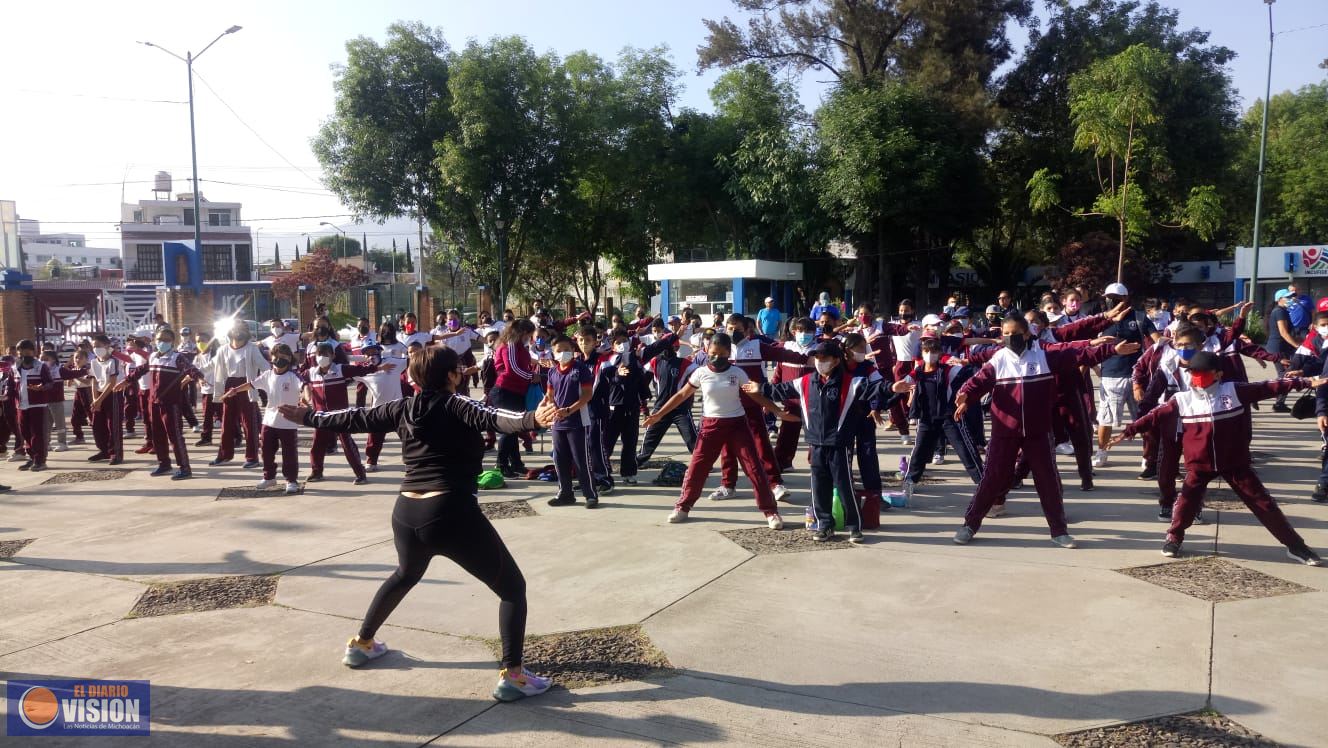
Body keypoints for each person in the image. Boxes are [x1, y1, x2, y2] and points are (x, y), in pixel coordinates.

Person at [279, 346, 558, 701]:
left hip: (406, 513)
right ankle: (513, 676)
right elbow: (495, 417)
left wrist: (309, 417)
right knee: (513, 589)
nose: (462, 374)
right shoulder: (457, 403)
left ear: (413, 377)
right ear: (451, 375)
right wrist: (533, 419)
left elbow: (355, 417)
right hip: (450, 511)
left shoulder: (402, 408)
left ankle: (362, 644)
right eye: (459, 370)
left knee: (405, 574)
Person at [1113, 351, 1323, 565]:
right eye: (1193, 372)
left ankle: (1297, 546)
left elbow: (1269, 386)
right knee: (1186, 503)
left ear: (1218, 374)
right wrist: (1128, 431)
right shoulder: (1182, 400)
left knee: (1264, 504)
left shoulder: (1233, 391)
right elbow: (1154, 416)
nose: (1197, 377)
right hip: (1199, 465)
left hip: (1235, 464)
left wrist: (1305, 382)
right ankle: (1174, 538)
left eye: (1203, 372)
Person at [951, 318, 1139, 548]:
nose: (1009, 338)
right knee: (992, 478)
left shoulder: (1044, 355)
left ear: (1026, 334)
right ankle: (969, 525)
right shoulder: (999, 359)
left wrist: (1111, 350)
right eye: (1005, 333)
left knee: (1047, 480)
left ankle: (1059, 531)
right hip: (1004, 432)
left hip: (1038, 431)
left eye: (1014, 333)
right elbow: (978, 381)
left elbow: (1077, 354)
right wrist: (965, 395)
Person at [746, 339, 890, 543]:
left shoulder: (851, 382)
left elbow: (876, 388)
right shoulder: (805, 381)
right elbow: (780, 389)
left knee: (844, 486)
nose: (820, 362)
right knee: (818, 487)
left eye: (824, 358)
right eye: (817, 358)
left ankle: (854, 526)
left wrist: (894, 387)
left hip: (839, 444)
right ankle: (824, 524)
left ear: (836, 360)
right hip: (815, 443)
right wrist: (760, 387)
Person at [645, 333, 786, 529]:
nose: (716, 357)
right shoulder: (700, 373)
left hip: (737, 424)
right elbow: (681, 395)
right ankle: (682, 507)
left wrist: (778, 411)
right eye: (713, 353)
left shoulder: (737, 373)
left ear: (729, 352)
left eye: (721, 354)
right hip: (710, 425)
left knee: (754, 468)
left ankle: (771, 512)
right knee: (697, 468)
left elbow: (755, 396)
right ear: (707, 351)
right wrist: (659, 414)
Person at [895, 336, 983, 499]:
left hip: (949, 418)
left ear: (940, 353)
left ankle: (984, 483)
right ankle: (909, 483)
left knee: (965, 450)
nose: (930, 354)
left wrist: (967, 366)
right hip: (926, 419)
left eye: (934, 351)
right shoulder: (917, 372)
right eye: (927, 351)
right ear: (922, 353)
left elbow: (972, 374)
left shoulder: (948, 370)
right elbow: (901, 386)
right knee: (919, 453)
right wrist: (895, 388)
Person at [220, 343, 304, 495]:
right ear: (272, 357)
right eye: (276, 356)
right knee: (265, 451)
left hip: (288, 421)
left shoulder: (294, 376)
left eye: (284, 356)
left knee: (289, 453)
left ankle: (291, 480)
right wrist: (235, 390)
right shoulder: (267, 375)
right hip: (269, 421)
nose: (280, 359)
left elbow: (305, 387)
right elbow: (251, 384)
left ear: (290, 358)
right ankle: (269, 477)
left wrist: (307, 400)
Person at [303, 341, 390, 484]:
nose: (322, 357)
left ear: (333, 355)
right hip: (321, 416)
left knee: (348, 445)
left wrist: (378, 367)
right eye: (319, 354)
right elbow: (299, 379)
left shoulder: (340, 369)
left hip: (341, 416)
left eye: (326, 354)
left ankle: (360, 474)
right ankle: (316, 471)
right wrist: (305, 393)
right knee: (317, 445)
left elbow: (360, 370)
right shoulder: (311, 373)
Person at [1093, 282, 1159, 467]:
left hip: (1138, 377)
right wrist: (1094, 367)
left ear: (1126, 299)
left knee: (1144, 418)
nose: (1112, 301)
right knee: (1105, 418)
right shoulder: (1100, 320)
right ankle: (1102, 451)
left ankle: (1148, 456)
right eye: (1109, 298)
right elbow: (1088, 345)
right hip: (1110, 376)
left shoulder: (1139, 317)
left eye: (1116, 298)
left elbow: (1157, 340)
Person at [543, 335, 599, 507]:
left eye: (566, 350)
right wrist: (552, 407)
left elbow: (587, 395)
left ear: (573, 350)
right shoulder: (552, 372)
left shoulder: (580, 369)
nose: (563, 353)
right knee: (560, 459)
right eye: (559, 351)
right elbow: (550, 395)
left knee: (581, 459)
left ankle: (590, 495)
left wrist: (568, 410)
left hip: (577, 422)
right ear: (553, 353)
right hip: (557, 423)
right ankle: (565, 493)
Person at [210, 322, 267, 468]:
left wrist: (275, 378)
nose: (238, 332)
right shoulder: (223, 349)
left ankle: (252, 457)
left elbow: (265, 367)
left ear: (246, 333)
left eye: (242, 330)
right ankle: (224, 455)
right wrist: (218, 392)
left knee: (249, 423)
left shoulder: (252, 348)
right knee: (227, 423)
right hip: (229, 386)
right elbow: (215, 368)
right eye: (236, 329)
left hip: (246, 386)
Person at [492, 319, 538, 477]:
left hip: (516, 392)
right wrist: (531, 376)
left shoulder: (519, 346)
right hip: (505, 391)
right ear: (522, 332)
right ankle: (501, 464)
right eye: (528, 335)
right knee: (508, 430)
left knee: (515, 429)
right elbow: (513, 369)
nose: (529, 338)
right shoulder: (510, 345)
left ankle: (516, 463)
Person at [10, 340, 51, 471]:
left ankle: (40, 461)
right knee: (25, 433)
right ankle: (33, 458)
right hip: (21, 406)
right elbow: (11, 386)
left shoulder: (41, 366)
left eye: (27, 350)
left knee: (38, 434)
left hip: (38, 405)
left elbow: (50, 383)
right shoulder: (14, 367)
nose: (23, 353)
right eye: (20, 351)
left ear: (33, 352)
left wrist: (42, 387)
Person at [87, 335, 125, 465]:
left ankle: (116, 453)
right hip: (99, 395)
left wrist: (100, 400)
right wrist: (95, 399)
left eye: (98, 346)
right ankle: (104, 450)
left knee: (113, 425)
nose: (96, 349)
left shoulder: (113, 361)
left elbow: (112, 382)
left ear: (107, 346)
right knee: (97, 425)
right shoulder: (94, 362)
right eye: (94, 346)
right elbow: (93, 381)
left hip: (112, 394)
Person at [1266, 289, 1300, 412]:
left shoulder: (1283, 311)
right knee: (1285, 376)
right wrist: (1297, 346)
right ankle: (1275, 401)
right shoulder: (1279, 311)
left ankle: (1278, 402)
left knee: (1285, 375)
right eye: (1288, 297)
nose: (1291, 299)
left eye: (1292, 297)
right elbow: (1284, 333)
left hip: (1282, 348)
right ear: (1279, 299)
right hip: (1278, 349)